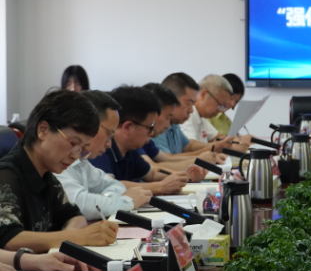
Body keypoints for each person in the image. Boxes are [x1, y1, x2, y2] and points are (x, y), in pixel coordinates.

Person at [0, 90, 117, 252]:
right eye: (73, 143)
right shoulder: (6, 175)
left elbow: (74, 216)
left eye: (82, 149)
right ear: (43, 130)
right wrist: (76, 237)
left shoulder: (46, 174)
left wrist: (68, 236)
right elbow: (9, 239)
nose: (75, 156)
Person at [56, 90, 153, 220]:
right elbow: (81, 205)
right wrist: (127, 202)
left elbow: (116, 185)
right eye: (108, 134)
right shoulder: (55, 161)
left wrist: (106, 199)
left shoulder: (81, 162)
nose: (109, 144)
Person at [89, 86, 190, 195]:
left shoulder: (130, 150)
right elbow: (109, 186)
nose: (151, 133)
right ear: (128, 127)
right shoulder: (101, 148)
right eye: (150, 127)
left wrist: (183, 176)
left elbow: (152, 173)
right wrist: (160, 187)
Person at [153, 73, 250, 157]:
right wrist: (209, 152)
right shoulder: (159, 123)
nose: (191, 110)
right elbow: (166, 160)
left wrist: (217, 147)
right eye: (189, 103)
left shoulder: (175, 124)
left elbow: (189, 146)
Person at [140, 83, 211, 180]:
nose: (168, 125)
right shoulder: (136, 139)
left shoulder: (146, 139)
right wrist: (199, 161)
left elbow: (166, 159)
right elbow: (153, 168)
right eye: (167, 117)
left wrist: (198, 161)